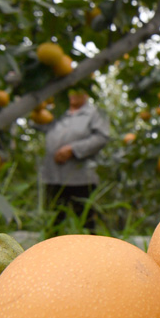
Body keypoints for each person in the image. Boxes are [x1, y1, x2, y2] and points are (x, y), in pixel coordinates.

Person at [37, 88, 111, 230]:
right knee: (54, 220)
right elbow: (37, 123)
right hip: (53, 175)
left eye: (77, 91)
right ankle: (52, 250)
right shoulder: (58, 111)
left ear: (86, 93)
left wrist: (73, 149)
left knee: (85, 220)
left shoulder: (94, 113)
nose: (73, 95)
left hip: (81, 177)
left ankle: (90, 250)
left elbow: (102, 137)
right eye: (70, 91)